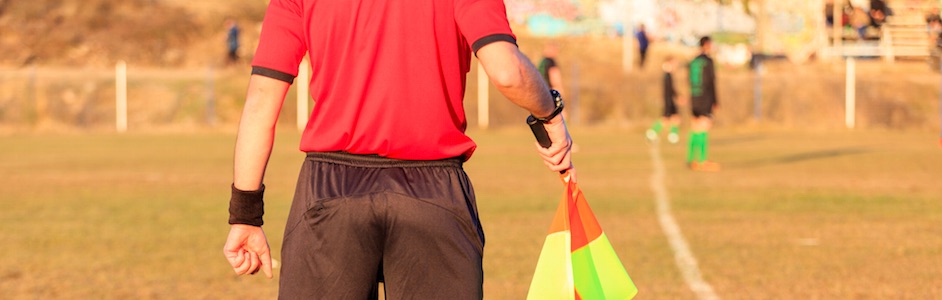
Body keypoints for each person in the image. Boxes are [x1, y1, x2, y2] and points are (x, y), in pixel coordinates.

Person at [221, 0, 574, 299]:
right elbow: (508, 72)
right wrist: (551, 114)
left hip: (329, 190)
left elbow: (262, 100)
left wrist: (245, 215)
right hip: (435, 191)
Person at [687, 36, 720, 172]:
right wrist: (715, 101)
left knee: (695, 128)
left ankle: (690, 159)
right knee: (704, 127)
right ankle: (702, 160)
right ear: (706, 44)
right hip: (705, 97)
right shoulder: (708, 61)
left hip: (694, 97)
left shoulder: (693, 61)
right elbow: (711, 82)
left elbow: (689, 80)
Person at [646, 55, 682, 144]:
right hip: (669, 101)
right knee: (665, 120)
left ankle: (672, 136)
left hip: (670, 101)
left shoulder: (669, 75)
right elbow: (670, 90)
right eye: (674, 63)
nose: (675, 65)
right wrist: (677, 97)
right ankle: (652, 132)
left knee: (675, 119)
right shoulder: (667, 75)